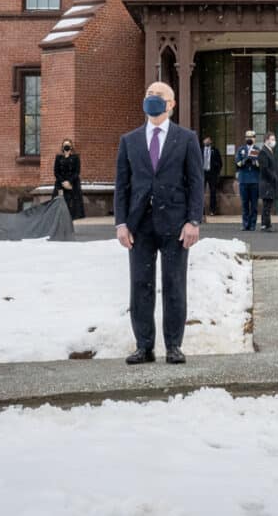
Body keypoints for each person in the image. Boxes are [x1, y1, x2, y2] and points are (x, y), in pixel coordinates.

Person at [113, 81, 204, 364]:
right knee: (140, 285)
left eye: (158, 95)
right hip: (139, 225)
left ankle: (174, 345)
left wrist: (193, 220)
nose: (152, 98)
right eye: (148, 94)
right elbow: (122, 186)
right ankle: (144, 346)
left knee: (174, 284)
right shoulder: (130, 140)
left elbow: (195, 183)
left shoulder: (186, 138)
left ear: (171, 104)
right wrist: (121, 224)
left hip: (176, 225)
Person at [233, 130, 263, 232]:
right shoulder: (241, 149)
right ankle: (245, 224)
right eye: (247, 137)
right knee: (245, 204)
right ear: (245, 138)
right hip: (244, 180)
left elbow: (261, 165)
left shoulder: (257, 149)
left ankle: (253, 224)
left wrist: (254, 162)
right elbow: (237, 164)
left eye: (251, 137)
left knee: (254, 205)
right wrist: (245, 160)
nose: (249, 139)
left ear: (255, 138)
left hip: (254, 180)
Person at [52, 138, 86, 220]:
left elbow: (77, 172)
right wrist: (63, 182)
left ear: (71, 147)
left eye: (68, 145)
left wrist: (69, 182)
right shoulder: (58, 158)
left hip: (72, 184)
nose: (66, 147)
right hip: (61, 184)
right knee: (59, 206)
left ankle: (70, 225)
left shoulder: (76, 158)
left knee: (72, 207)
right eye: (65, 145)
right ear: (62, 147)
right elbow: (56, 172)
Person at [257, 133, 278, 231]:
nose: (274, 141)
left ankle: (265, 224)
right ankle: (267, 225)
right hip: (267, 182)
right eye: (272, 139)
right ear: (266, 140)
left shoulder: (270, 151)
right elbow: (265, 168)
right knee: (267, 205)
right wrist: (274, 177)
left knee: (268, 204)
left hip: (270, 182)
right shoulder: (263, 152)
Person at [201, 136, 224, 218]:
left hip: (212, 174)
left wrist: (217, 172)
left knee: (213, 192)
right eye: (205, 140)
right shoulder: (200, 150)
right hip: (202, 173)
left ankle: (212, 210)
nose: (206, 141)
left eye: (208, 140)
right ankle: (201, 211)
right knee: (200, 192)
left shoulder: (215, 150)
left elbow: (220, 163)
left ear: (210, 141)